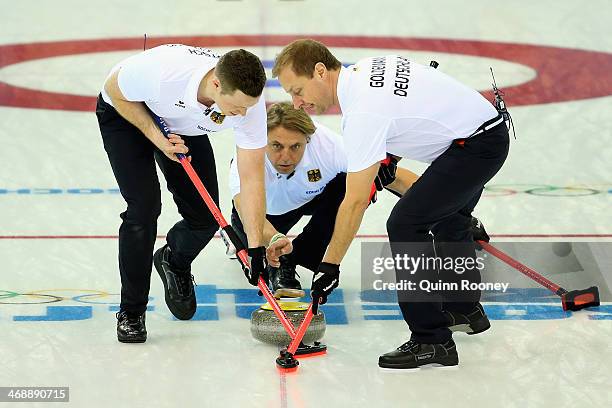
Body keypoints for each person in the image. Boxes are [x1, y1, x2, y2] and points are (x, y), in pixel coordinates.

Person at [272, 39, 509, 369]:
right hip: (479, 134)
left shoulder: (361, 112)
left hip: (474, 146)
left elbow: (354, 201)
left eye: (297, 90)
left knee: (405, 223)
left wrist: (330, 266)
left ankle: (432, 339)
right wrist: (386, 160)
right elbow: (405, 112)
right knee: (448, 218)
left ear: (320, 72)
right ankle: (464, 308)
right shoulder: (365, 70)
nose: (296, 103)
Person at [97, 44, 269, 343]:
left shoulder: (249, 103)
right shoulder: (163, 72)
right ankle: (131, 311)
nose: (242, 114)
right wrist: (156, 137)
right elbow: (114, 89)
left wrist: (255, 248)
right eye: (236, 107)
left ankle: (173, 260)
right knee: (144, 209)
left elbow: (252, 175)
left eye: (247, 108)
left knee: (204, 218)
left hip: (183, 126)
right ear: (216, 83)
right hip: (126, 114)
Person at [227, 101, 419, 299]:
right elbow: (245, 208)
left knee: (355, 183)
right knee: (258, 242)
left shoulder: (327, 146)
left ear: (308, 140)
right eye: (276, 146)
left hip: (309, 198)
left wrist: (439, 201)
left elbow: (397, 178)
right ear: (263, 139)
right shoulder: (249, 153)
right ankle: (279, 258)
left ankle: (300, 253)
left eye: (295, 146)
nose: (285, 157)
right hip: (262, 211)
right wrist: (276, 239)